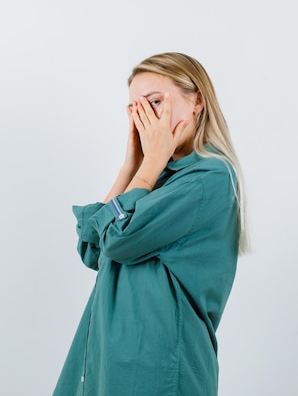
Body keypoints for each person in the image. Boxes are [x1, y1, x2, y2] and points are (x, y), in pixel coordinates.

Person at [52, 52, 250, 396]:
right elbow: (93, 249)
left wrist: (151, 162)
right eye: (135, 109)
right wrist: (132, 165)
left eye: (155, 102)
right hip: (106, 360)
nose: (146, 118)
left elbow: (117, 238)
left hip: (157, 367)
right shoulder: (156, 177)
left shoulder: (208, 178)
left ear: (197, 101)